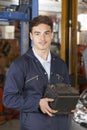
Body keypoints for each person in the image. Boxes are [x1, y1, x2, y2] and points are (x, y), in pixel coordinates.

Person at [3, 15, 70, 130]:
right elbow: (8, 99)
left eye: (46, 33)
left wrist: (72, 104)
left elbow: (66, 93)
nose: (42, 39)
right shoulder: (20, 65)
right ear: (31, 36)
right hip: (34, 126)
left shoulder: (61, 64)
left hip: (61, 125)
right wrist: (37, 103)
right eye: (37, 34)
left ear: (52, 35)